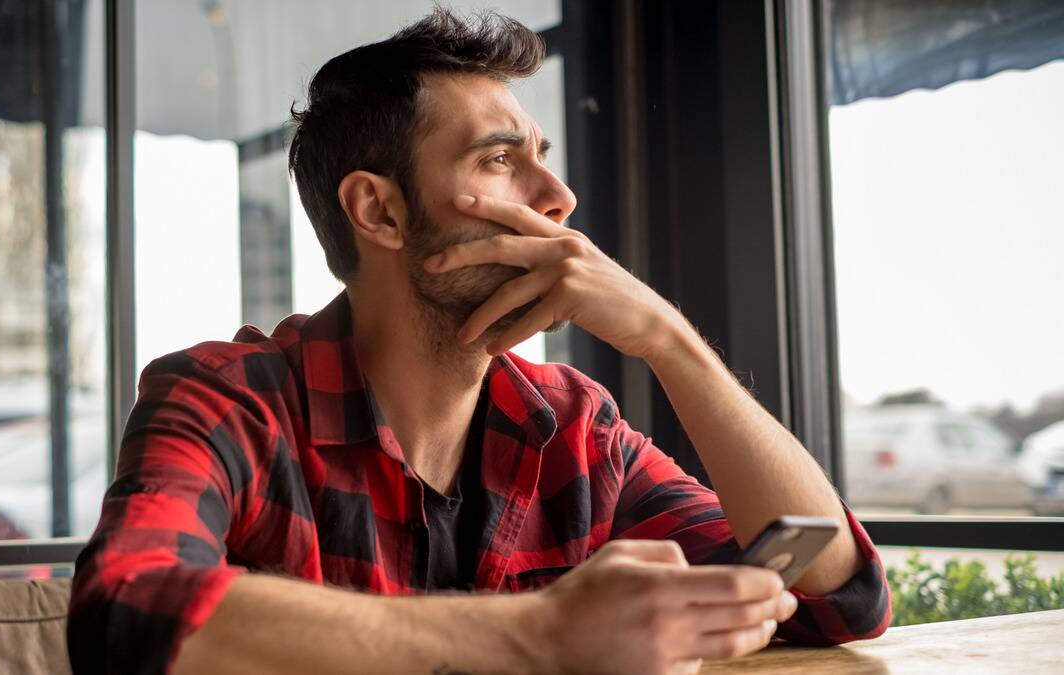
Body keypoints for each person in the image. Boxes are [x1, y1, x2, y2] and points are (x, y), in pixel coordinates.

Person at [68, 9, 890, 675]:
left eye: (543, 157)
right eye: (501, 159)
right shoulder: (227, 397)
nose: (558, 196)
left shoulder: (572, 426)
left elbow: (838, 599)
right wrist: (540, 634)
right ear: (380, 211)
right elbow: (128, 615)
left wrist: (668, 338)